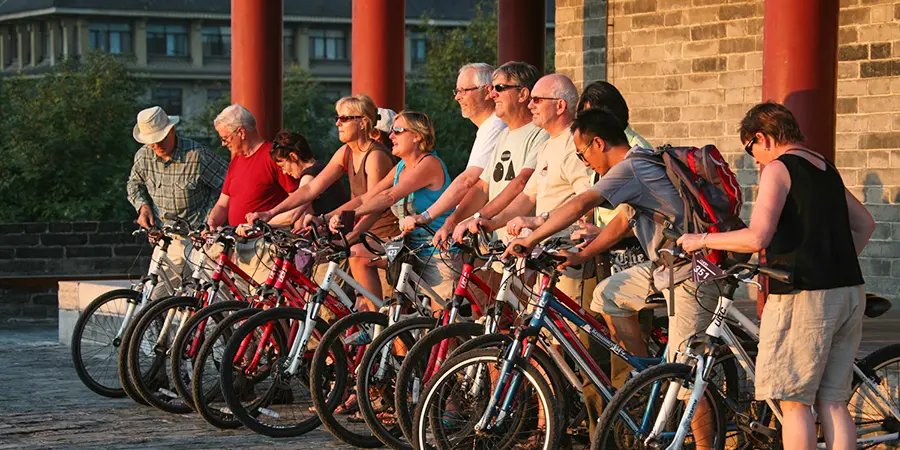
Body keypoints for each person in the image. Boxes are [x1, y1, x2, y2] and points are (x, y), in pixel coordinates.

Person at [504, 107, 721, 447]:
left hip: (689, 275)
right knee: (607, 295)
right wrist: (583, 254)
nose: (583, 161)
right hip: (664, 267)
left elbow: (579, 204)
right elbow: (622, 222)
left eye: (581, 153)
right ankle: (649, 377)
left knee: (687, 378)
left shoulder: (631, 168)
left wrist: (530, 238)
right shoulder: (638, 165)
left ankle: (704, 436)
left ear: (599, 143)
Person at [677, 102, 874, 450]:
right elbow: (865, 223)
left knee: (794, 402)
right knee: (832, 401)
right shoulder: (825, 167)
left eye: (751, 149)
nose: (754, 160)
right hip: (849, 291)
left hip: (804, 298)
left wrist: (701, 239)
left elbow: (757, 237)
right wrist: (830, 262)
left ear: (763, 137)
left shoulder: (780, 169)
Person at [462, 73, 605, 436]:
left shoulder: (576, 144)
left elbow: (583, 201)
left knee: (571, 346)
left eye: (537, 99)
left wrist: (540, 223)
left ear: (560, 105)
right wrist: (487, 221)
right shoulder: (549, 144)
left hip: (567, 255)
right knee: (540, 339)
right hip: (541, 253)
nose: (530, 104)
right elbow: (527, 196)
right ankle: (545, 425)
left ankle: (575, 427)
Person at [245, 94, 397, 303]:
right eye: (337, 117)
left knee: (380, 314)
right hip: (359, 236)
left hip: (381, 235)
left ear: (363, 122)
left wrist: (349, 236)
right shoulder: (346, 152)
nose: (337, 123)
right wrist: (271, 212)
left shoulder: (375, 156)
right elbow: (311, 189)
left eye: (344, 118)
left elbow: (373, 206)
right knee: (363, 312)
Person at [325, 110, 457, 307]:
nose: (391, 135)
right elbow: (370, 197)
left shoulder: (429, 163)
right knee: (358, 253)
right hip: (410, 247)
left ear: (417, 136)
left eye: (398, 130)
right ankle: (376, 321)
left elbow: (389, 196)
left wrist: (352, 215)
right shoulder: (401, 166)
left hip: (438, 250)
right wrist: (334, 220)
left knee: (440, 328)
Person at [438, 61, 549, 246]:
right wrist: (452, 221)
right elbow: (482, 187)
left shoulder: (540, 132)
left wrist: (480, 216)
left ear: (523, 94)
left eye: (499, 87)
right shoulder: (504, 134)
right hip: (497, 239)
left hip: (526, 242)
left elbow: (521, 182)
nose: (492, 94)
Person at [126, 106, 228, 298]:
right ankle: (159, 328)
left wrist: (210, 220)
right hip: (168, 235)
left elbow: (228, 186)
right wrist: (142, 206)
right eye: (151, 142)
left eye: (160, 140)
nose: (156, 146)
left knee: (212, 294)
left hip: (200, 236)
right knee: (154, 295)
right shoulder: (143, 156)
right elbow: (134, 184)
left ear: (171, 131)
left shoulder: (197, 155)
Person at [399, 63, 507, 238]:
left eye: (464, 90)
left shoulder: (495, 127)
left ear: (487, 91)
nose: (457, 97)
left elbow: (469, 181)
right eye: (456, 91)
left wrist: (427, 216)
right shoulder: (489, 128)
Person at [206, 104, 300, 282]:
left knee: (261, 303)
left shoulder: (272, 156)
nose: (223, 143)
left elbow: (298, 200)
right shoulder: (236, 161)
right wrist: (211, 223)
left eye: (226, 138)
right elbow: (222, 203)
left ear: (241, 132)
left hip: (266, 246)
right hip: (239, 244)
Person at [268, 130, 349, 228]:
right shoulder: (319, 167)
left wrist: (262, 221)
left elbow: (293, 214)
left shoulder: (310, 175)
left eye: (283, 166)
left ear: (293, 156)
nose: (284, 172)